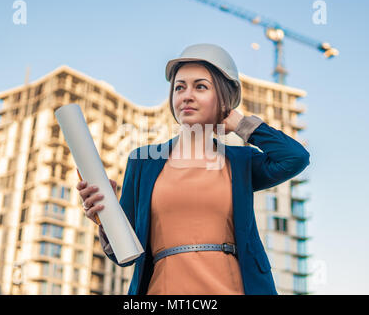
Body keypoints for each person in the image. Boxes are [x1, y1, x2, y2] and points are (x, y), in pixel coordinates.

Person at [76, 43, 310, 295]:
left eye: (200, 86)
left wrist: (241, 124)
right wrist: (105, 219)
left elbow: (294, 158)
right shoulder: (143, 161)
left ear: (224, 98)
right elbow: (125, 254)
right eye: (179, 87)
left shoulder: (241, 161)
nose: (186, 95)